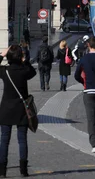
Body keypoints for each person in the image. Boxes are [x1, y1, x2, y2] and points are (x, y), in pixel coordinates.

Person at [0, 45, 36, 177]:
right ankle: (23, 170)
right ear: (20, 56)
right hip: (22, 108)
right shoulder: (24, 70)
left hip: (6, 109)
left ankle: (2, 170)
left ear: (8, 57)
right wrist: (24, 60)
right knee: (22, 140)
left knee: (4, 140)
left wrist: (2, 55)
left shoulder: (5, 71)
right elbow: (33, 72)